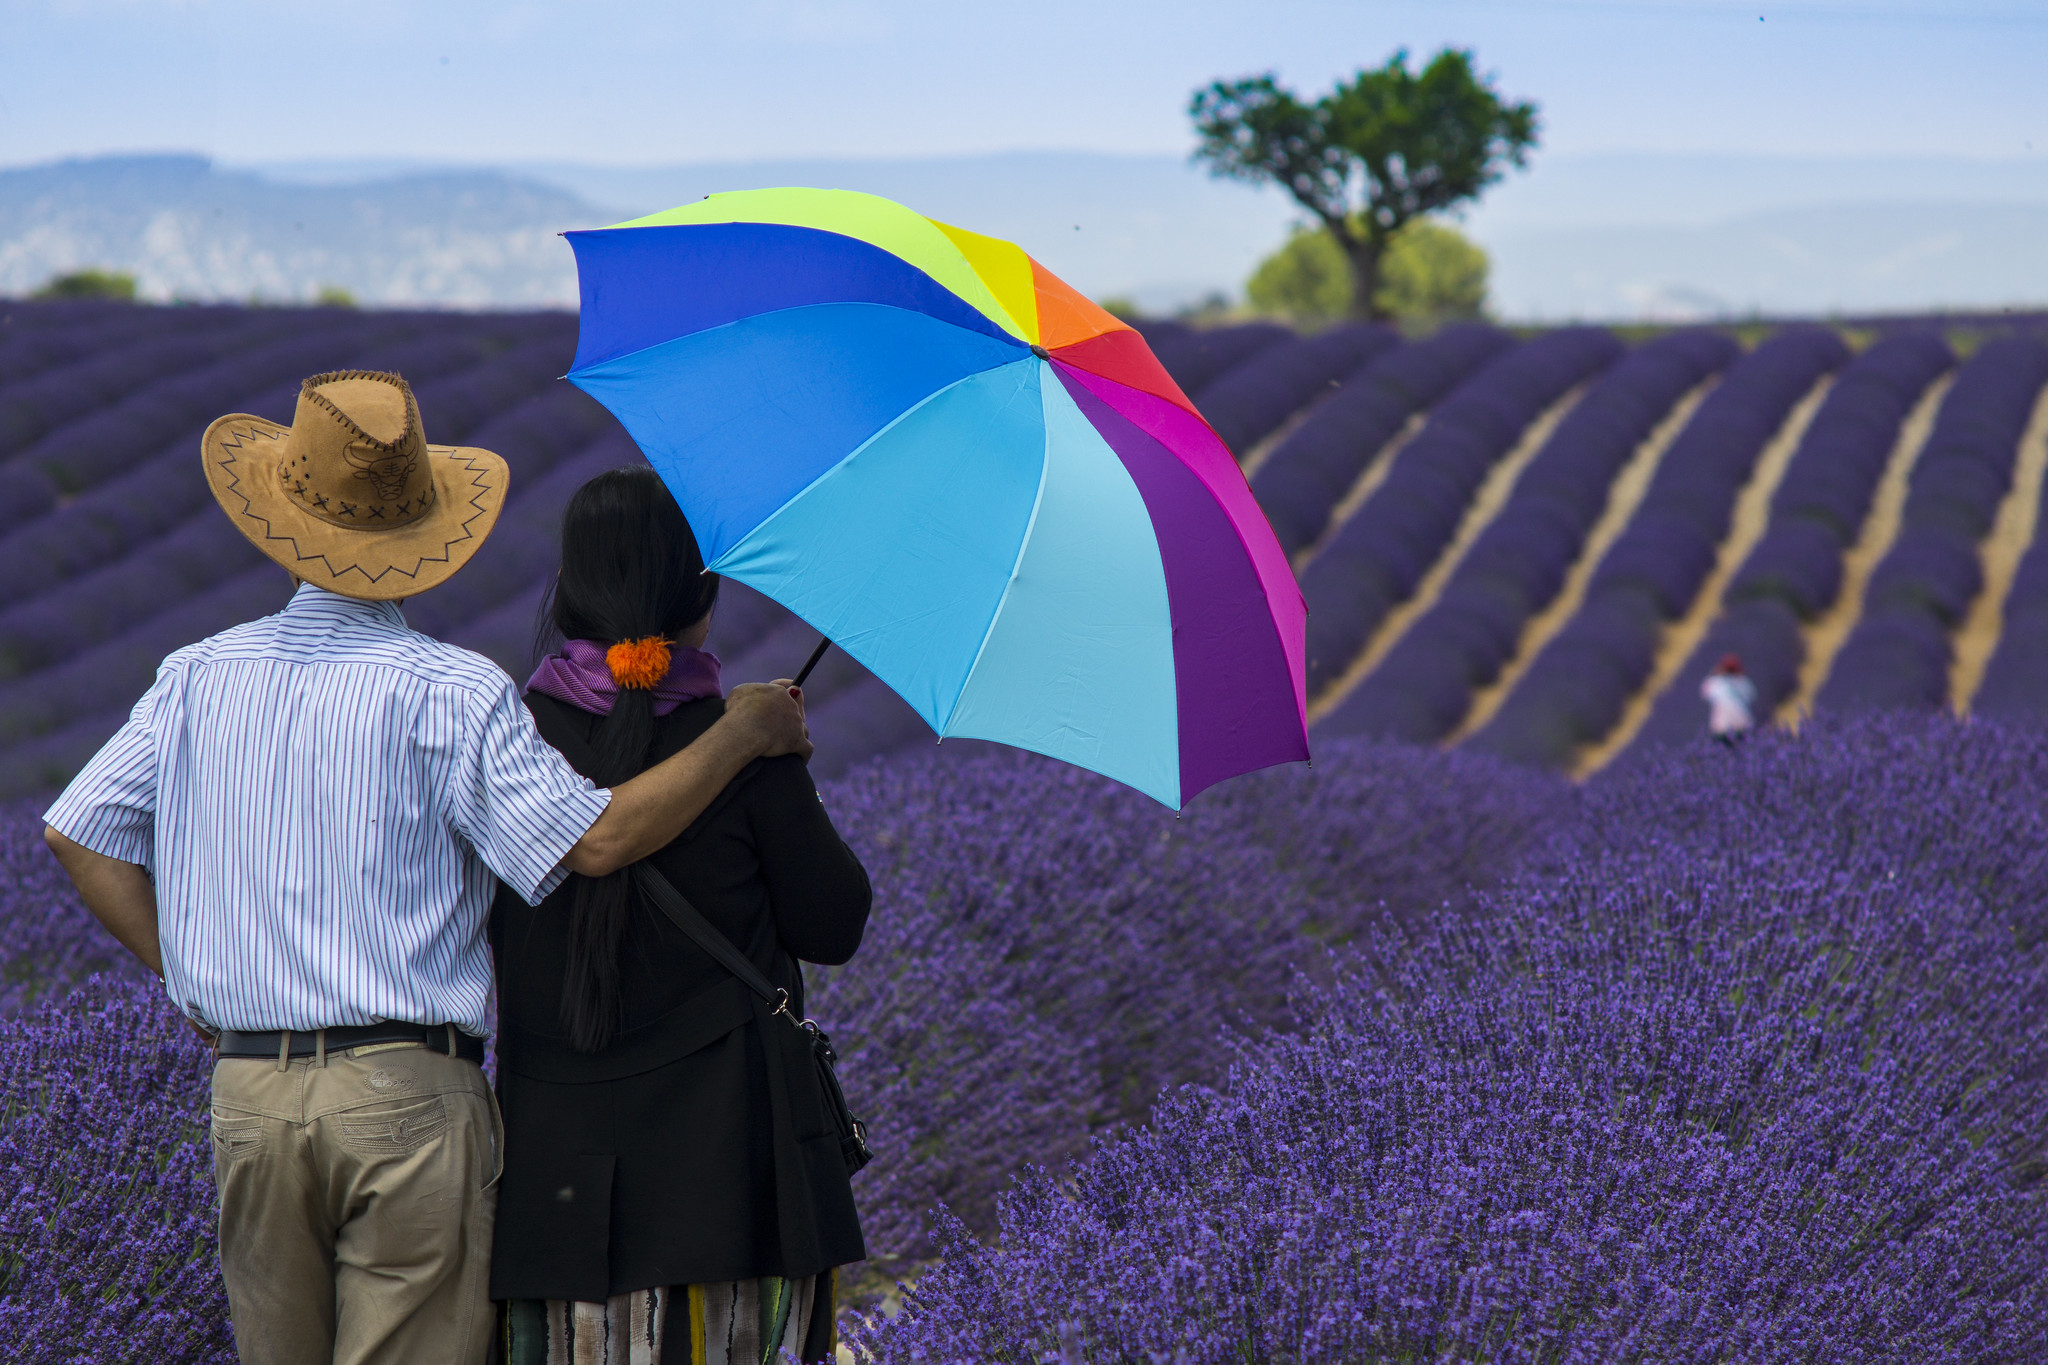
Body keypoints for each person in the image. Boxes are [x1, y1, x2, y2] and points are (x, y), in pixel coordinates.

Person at [40, 371, 811, 1365]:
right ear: (421, 532)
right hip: (405, 1092)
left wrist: (189, 977)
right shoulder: (448, 691)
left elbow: (77, 832)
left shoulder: (196, 675)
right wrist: (741, 732)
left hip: (251, 1091)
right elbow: (597, 841)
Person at [489, 467, 871, 1365]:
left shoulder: (502, 739)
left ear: (572, 586)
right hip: (736, 1180)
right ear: (701, 599)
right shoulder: (746, 747)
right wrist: (766, 748)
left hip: (555, 1184)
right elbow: (835, 924)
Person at [1701, 652, 1759, 746]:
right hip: (1743, 725)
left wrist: (1715, 673)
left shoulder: (1717, 683)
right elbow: (1753, 696)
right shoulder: (1744, 682)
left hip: (1722, 727)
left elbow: (1704, 691)